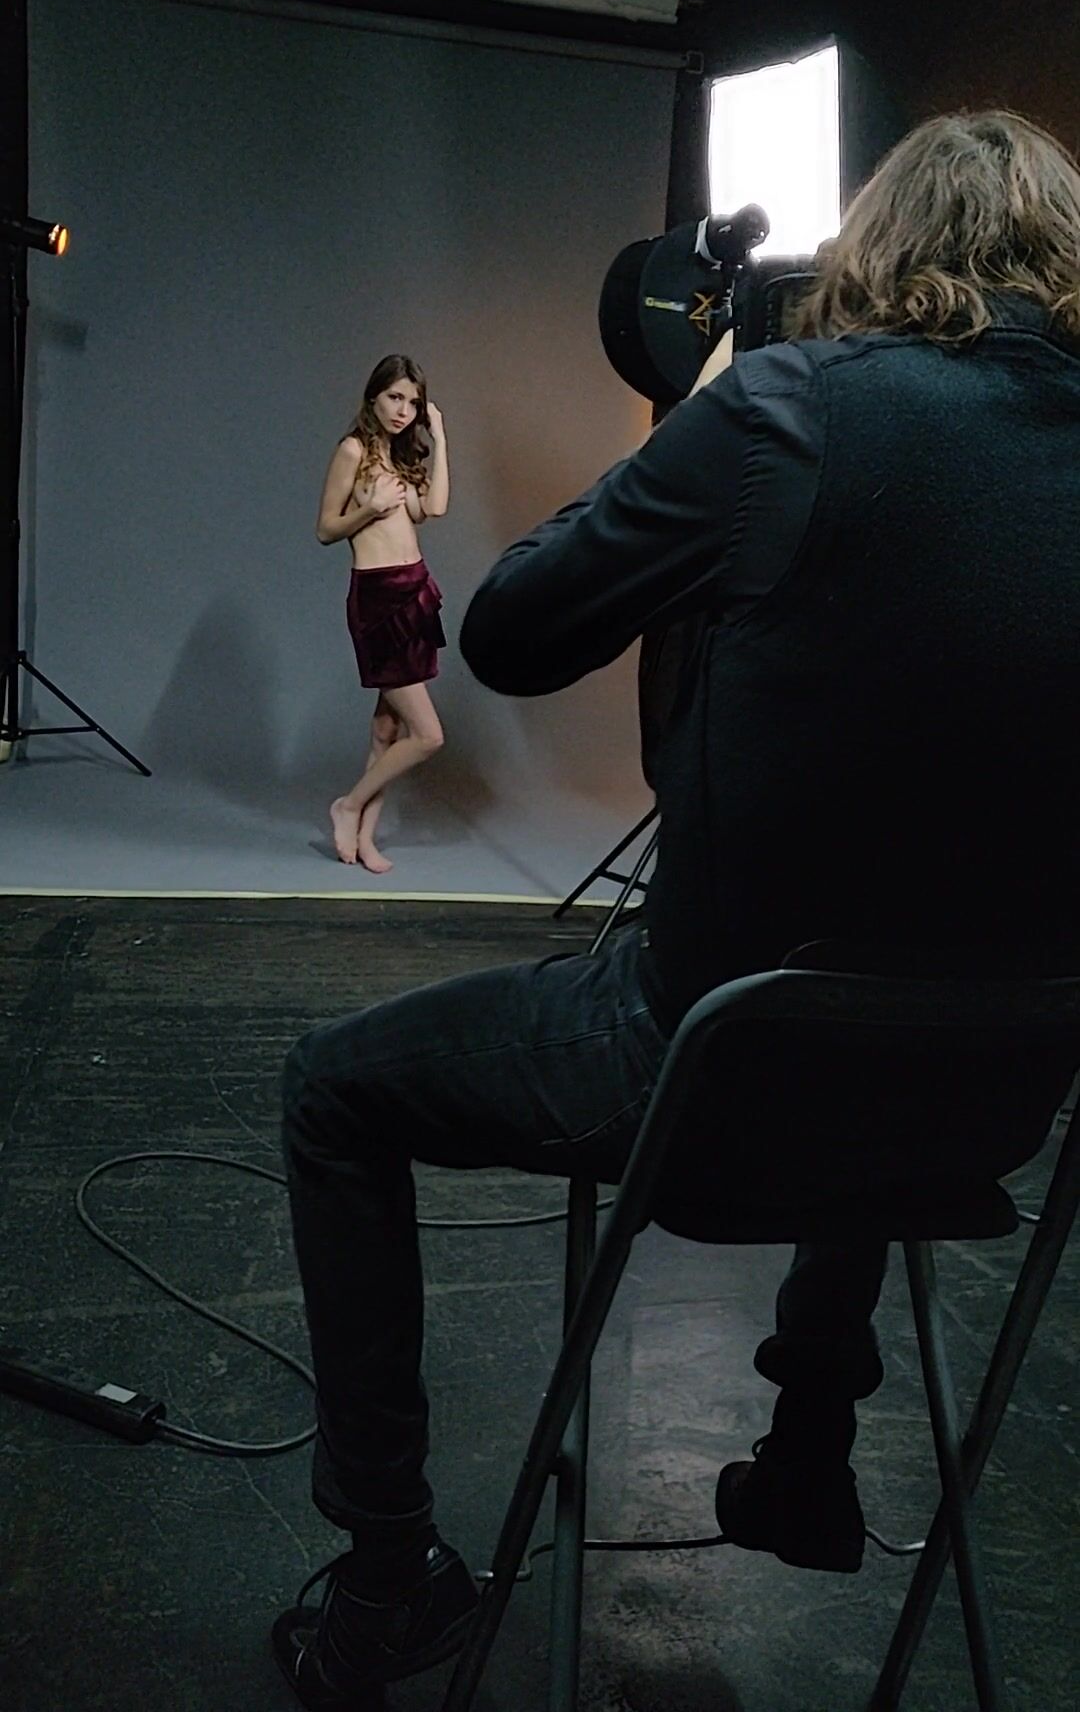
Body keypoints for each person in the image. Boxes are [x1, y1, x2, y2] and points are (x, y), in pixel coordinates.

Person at [274, 112, 1080, 1706]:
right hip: (991, 1111)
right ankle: (807, 1453)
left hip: (709, 1087)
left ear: (878, 255)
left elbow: (511, 631)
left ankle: (387, 1577)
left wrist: (698, 425)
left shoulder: (792, 409)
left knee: (332, 1090)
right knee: (883, 968)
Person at [316, 354, 450, 871]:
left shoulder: (401, 456)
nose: (403, 411)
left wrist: (440, 437)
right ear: (374, 395)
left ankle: (365, 838)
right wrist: (369, 509)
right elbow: (326, 529)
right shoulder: (352, 450)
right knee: (428, 736)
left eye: (412, 403)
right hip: (378, 597)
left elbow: (434, 508)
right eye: (395, 397)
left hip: (416, 591)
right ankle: (348, 806)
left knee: (387, 732)